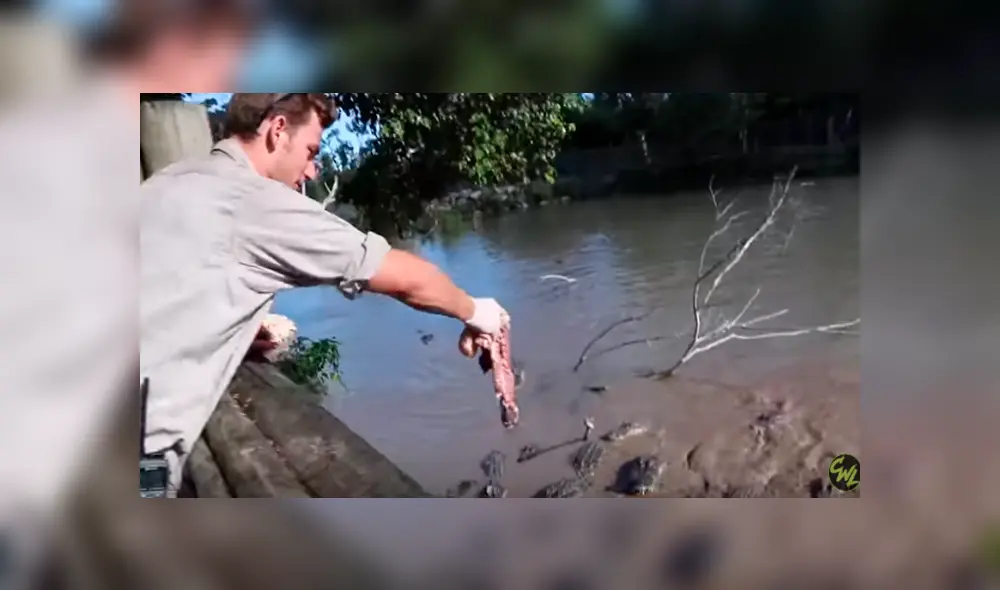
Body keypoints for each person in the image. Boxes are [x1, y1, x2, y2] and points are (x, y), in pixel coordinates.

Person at [140, 93, 510, 494]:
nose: (312, 171)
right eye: (310, 150)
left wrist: (232, 334)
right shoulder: (252, 201)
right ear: (277, 129)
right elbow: (405, 277)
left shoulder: (166, 183)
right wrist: (479, 311)